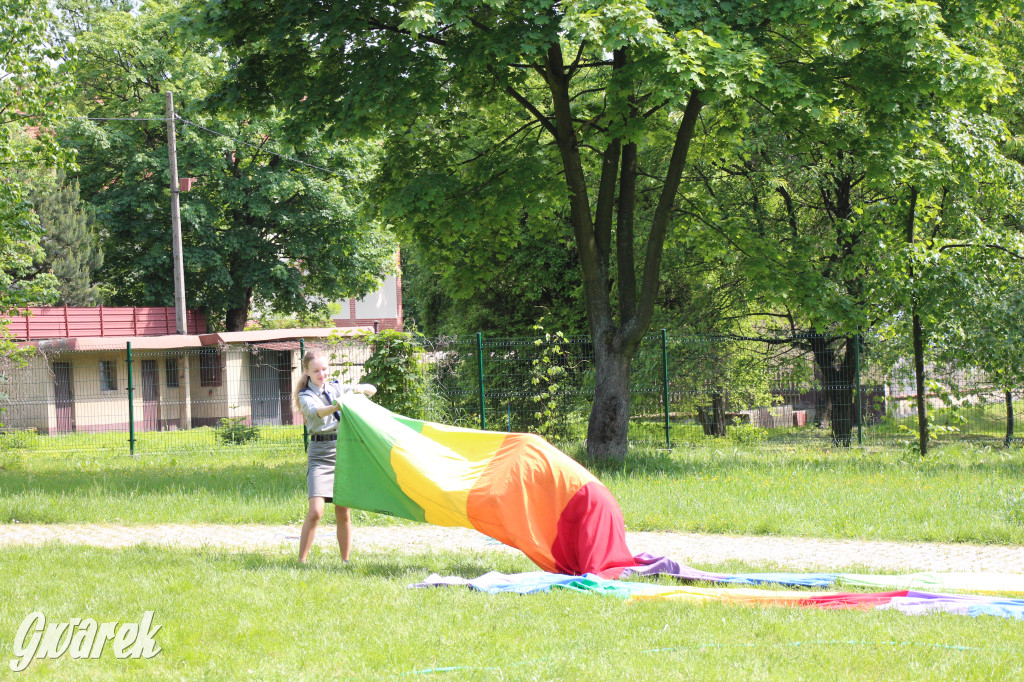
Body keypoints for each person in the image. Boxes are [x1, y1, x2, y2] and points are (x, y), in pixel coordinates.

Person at [293, 348, 376, 563]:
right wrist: (336, 405)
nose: (322, 374)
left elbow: (372, 390)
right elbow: (317, 412)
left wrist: (359, 388)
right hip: (320, 454)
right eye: (316, 371)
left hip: (341, 451)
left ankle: (345, 561)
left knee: (344, 511)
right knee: (316, 512)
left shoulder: (337, 387)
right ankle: (301, 561)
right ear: (307, 372)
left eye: (324, 369)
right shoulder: (306, 395)